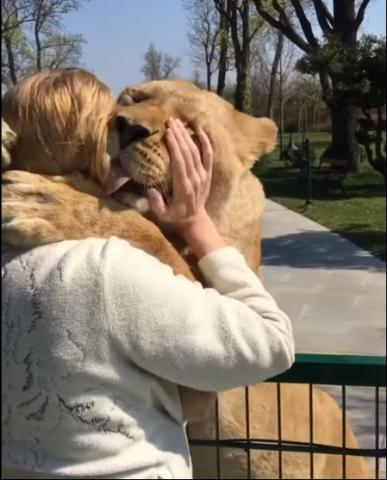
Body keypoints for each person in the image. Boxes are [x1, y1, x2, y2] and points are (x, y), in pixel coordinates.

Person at [2, 71, 294, 479]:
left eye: (189, 132)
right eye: (128, 101)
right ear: (93, 137)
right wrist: (190, 223)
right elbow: (268, 345)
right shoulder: (109, 269)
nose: (137, 119)